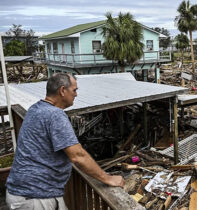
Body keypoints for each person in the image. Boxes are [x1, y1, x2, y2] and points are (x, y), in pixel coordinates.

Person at [6, 73, 125, 210]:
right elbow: (77, 156)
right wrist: (107, 178)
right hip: (35, 196)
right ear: (62, 91)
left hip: (26, 192)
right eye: (74, 90)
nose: (76, 94)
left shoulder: (35, 109)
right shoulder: (55, 115)